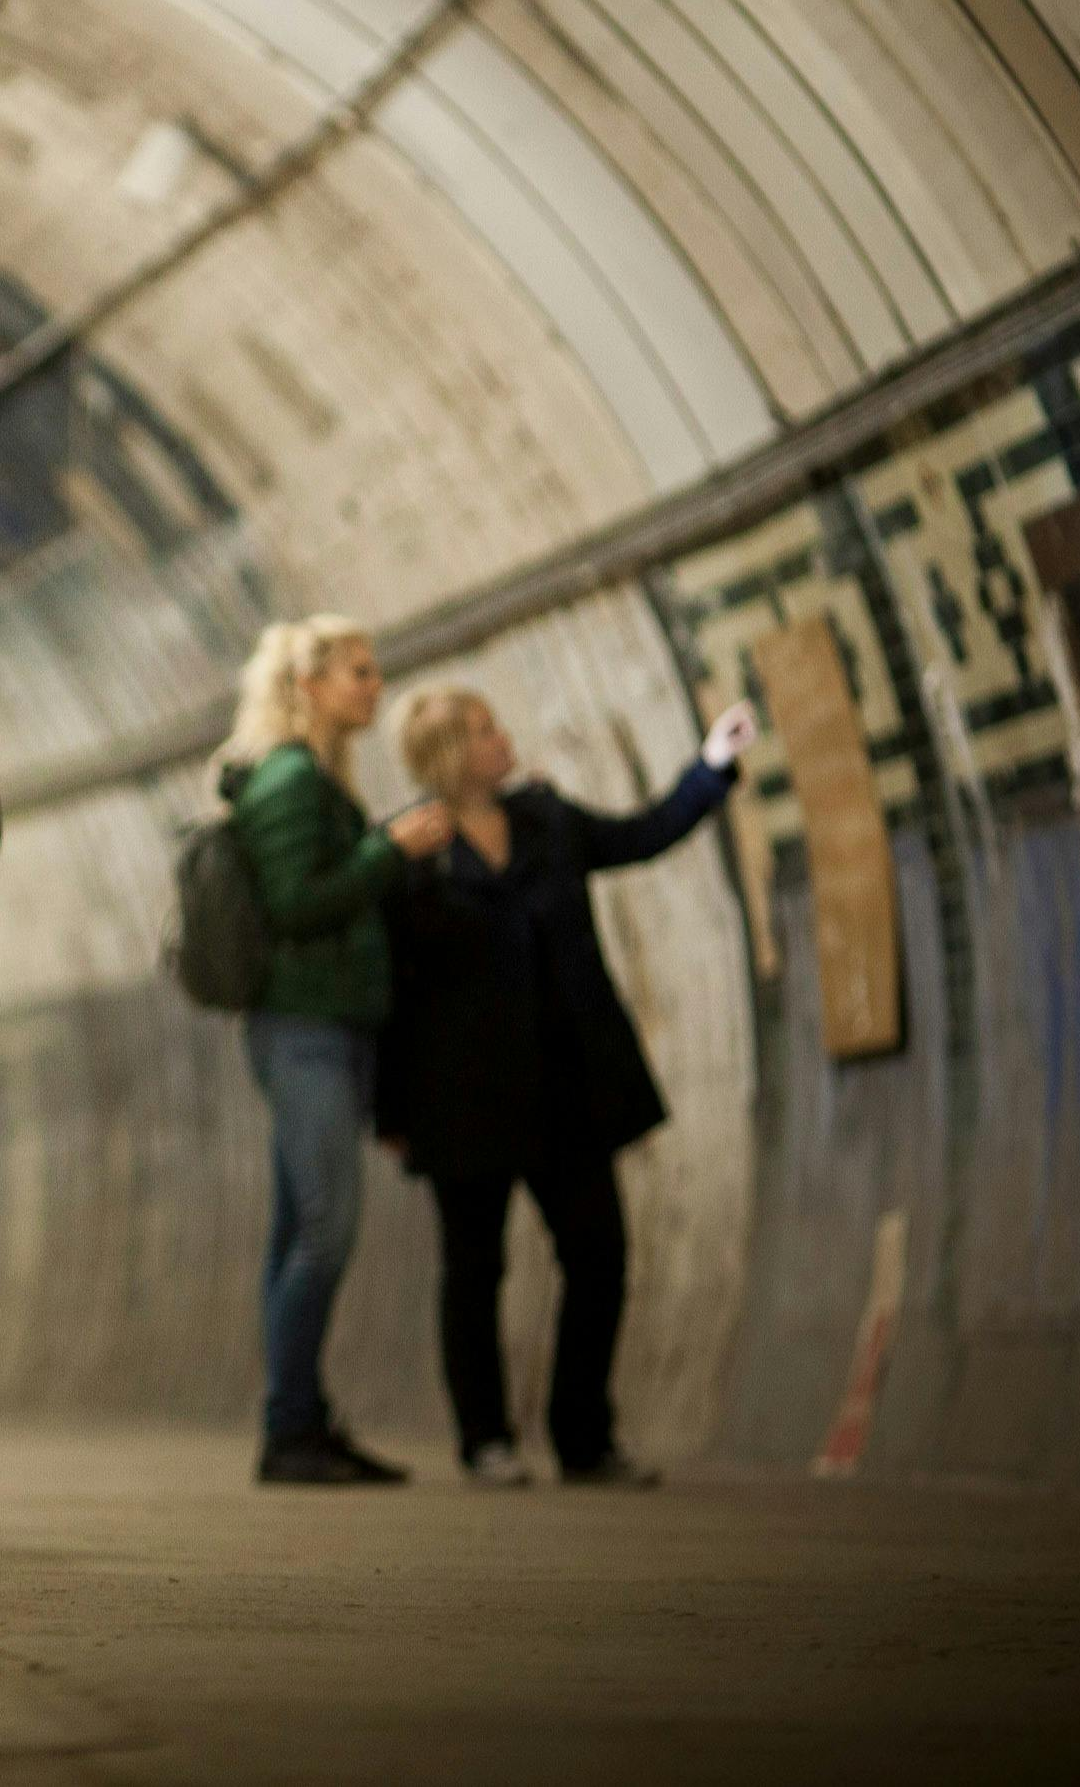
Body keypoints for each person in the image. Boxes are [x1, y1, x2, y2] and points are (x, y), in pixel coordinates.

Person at [376, 687, 755, 1489]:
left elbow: (639, 835)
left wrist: (710, 769)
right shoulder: (409, 854)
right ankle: (485, 1439)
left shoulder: (547, 820)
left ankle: (582, 1434)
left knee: (598, 1255)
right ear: (449, 755)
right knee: (474, 1270)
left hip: (565, 1081)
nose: (502, 737)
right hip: (463, 1097)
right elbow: (391, 994)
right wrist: (391, 1107)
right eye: (484, 730)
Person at [217, 616, 454, 1486]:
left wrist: (377, 847)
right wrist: (388, 849)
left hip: (329, 1026)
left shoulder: (317, 780)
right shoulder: (287, 781)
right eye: (358, 671)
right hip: (302, 1028)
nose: (373, 685)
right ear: (307, 686)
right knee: (325, 1229)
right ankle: (289, 1431)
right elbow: (293, 905)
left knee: (297, 1228)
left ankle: (303, 1419)